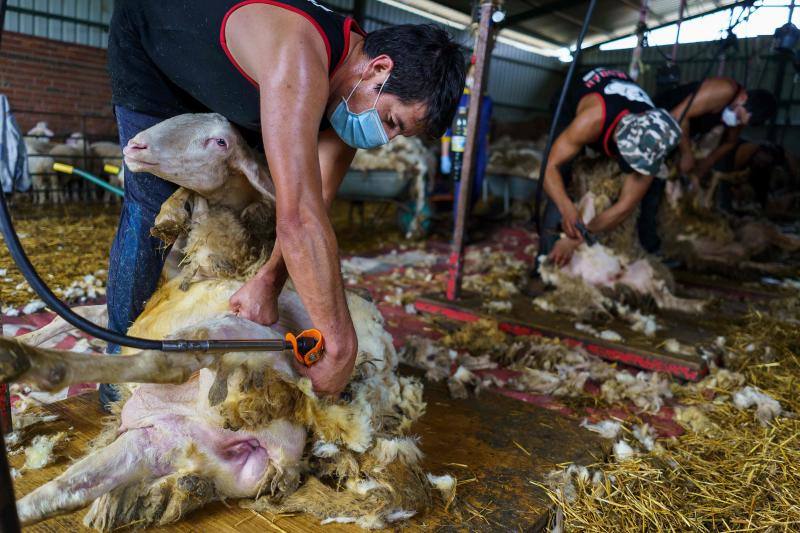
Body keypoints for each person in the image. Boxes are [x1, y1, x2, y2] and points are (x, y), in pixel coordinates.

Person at [100, 0, 466, 408]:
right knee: (153, 204)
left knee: (252, 205)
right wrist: (342, 346)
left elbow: (313, 207)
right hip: (156, 53)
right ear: (378, 69)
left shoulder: (348, 99)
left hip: (234, 83)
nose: (385, 138)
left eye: (399, 133)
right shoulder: (300, 58)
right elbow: (300, 222)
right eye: (392, 121)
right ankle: (116, 371)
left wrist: (268, 282)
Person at [538, 67, 681, 267]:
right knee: (562, 176)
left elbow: (625, 206)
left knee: (646, 190)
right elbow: (548, 168)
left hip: (615, 105)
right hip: (573, 99)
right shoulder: (591, 120)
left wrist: (576, 238)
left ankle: (647, 247)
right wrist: (565, 206)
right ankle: (544, 261)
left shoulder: (655, 142)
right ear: (620, 138)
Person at [636, 78, 777, 253]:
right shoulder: (723, 90)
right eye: (739, 116)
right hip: (658, 120)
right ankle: (646, 245)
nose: (737, 122)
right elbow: (678, 115)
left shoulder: (738, 114)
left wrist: (705, 164)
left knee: (668, 185)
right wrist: (687, 153)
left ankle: (655, 237)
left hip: (679, 133)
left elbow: (730, 142)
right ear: (743, 98)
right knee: (650, 185)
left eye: (742, 122)